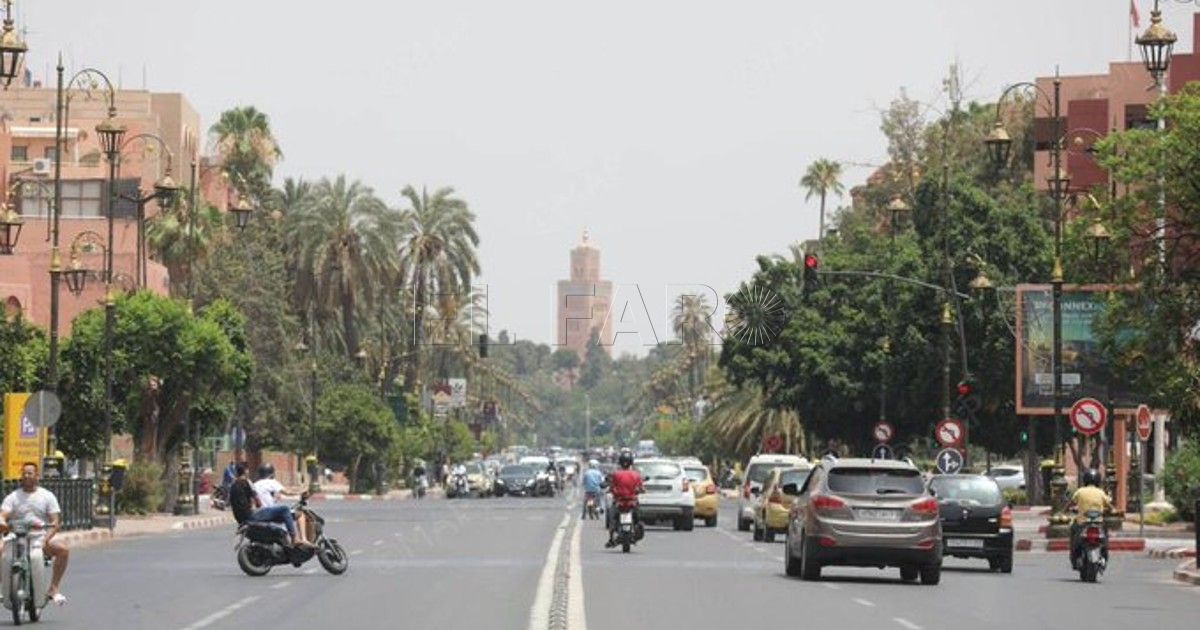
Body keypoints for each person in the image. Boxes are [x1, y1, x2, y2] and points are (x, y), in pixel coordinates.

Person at [0, 463, 68, 604]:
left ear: (37, 476)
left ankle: (53, 589)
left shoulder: (47, 496)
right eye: (24, 473)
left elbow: (55, 522)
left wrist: (46, 539)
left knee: (63, 550)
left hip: (38, 537)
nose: (26, 476)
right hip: (16, 536)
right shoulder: (13, 497)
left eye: (30, 473)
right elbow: (4, 514)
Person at [235, 463, 311, 548]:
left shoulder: (254, 484)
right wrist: (302, 490)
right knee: (296, 513)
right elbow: (288, 492)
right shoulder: (271, 482)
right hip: (265, 513)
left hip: (257, 515)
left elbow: (254, 500)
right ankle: (300, 539)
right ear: (271, 473)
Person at [1069, 468, 1113, 568]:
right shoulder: (1101, 492)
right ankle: (1105, 555)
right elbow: (1110, 506)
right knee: (1105, 537)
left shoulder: (1080, 491)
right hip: (1098, 522)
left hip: (1082, 523)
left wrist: (1065, 510)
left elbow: (1071, 503)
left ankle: (1074, 555)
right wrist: (1114, 511)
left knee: (1073, 530)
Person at [605, 451, 644, 548]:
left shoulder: (616, 474)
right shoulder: (636, 475)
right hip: (632, 503)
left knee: (612, 519)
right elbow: (641, 488)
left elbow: (611, 487)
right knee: (638, 519)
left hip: (619, 502)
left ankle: (611, 539)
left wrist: (610, 490)